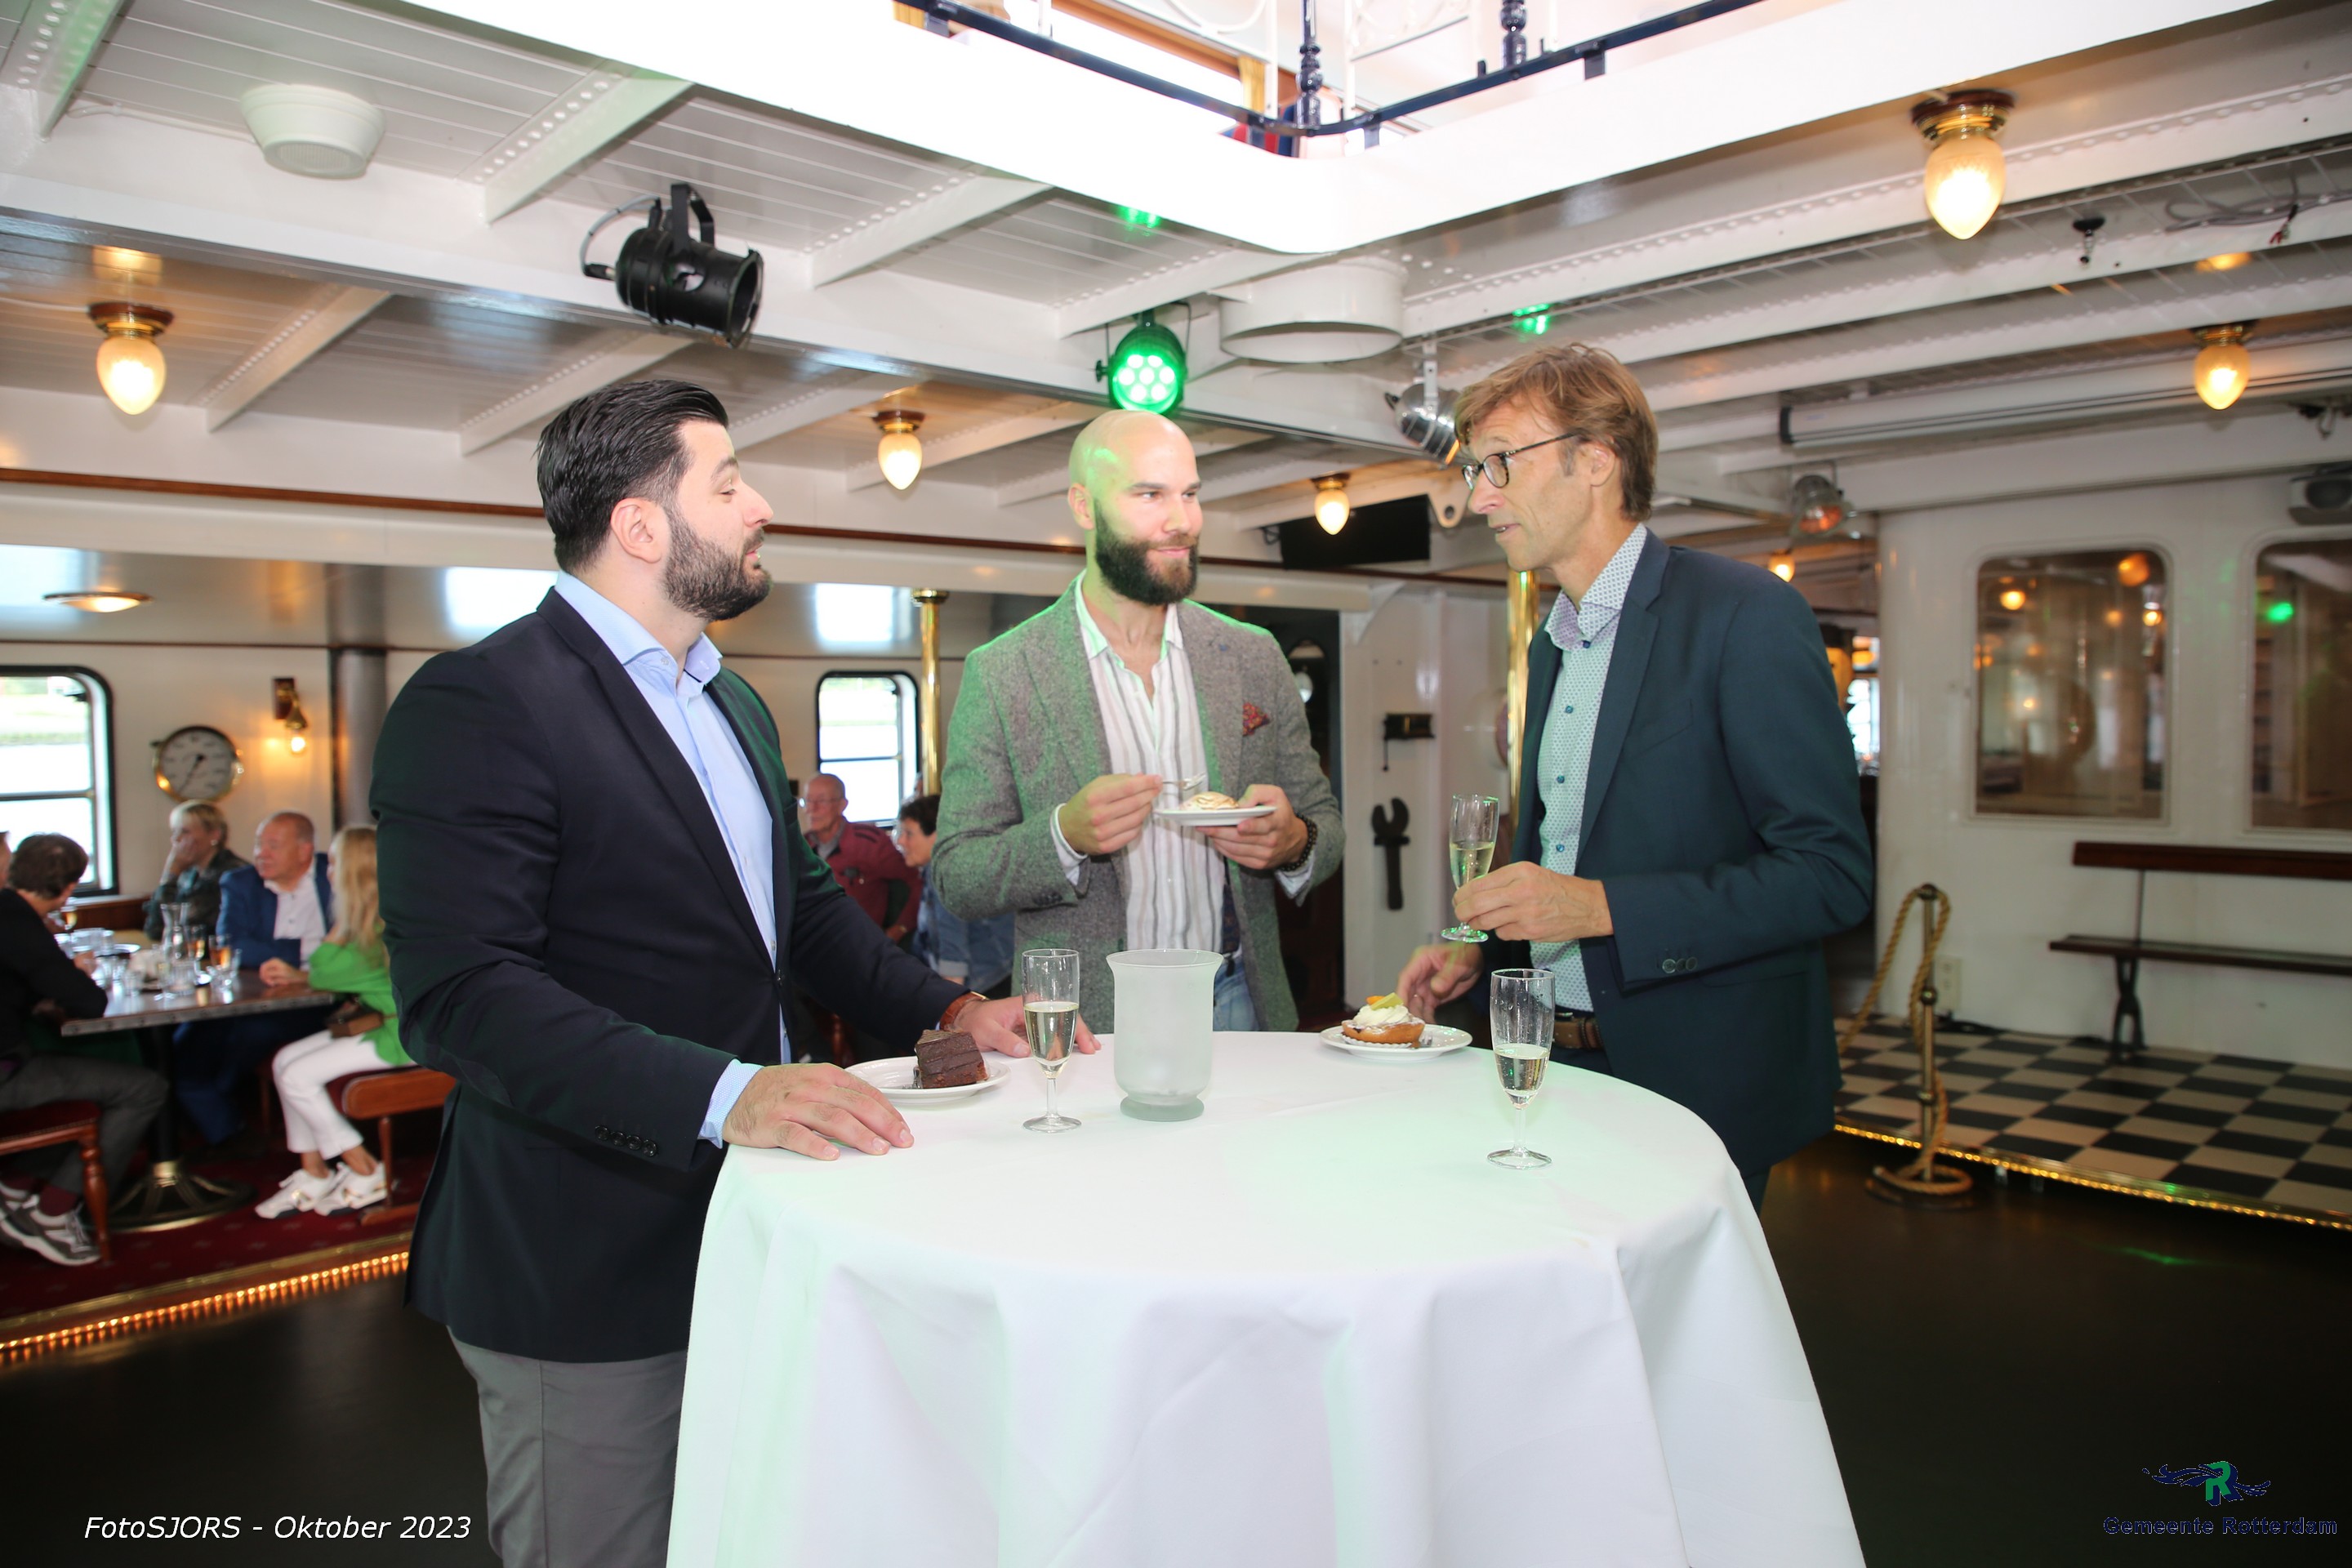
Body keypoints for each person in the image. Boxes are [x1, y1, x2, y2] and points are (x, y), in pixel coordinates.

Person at [372, 378, 1087, 1568]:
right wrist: (729, 1092)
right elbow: (464, 998)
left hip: (754, 1219)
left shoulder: (732, 699)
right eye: (729, 484)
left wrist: (956, 1008)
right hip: (582, 1252)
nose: (760, 508)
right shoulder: (482, 701)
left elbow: (801, 918)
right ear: (640, 525)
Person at [1395, 344, 1871, 1213]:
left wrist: (1602, 908)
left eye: (1501, 462)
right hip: (1553, 1067)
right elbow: (1566, 851)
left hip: (1698, 1080)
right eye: (1475, 469)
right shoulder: (1553, 642)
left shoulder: (1744, 614)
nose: (1480, 497)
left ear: (1595, 461)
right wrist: (1484, 946)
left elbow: (1830, 876)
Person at [932, 409, 1344, 1033]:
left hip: (1237, 1000)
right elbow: (957, 876)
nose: (1182, 521)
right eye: (1150, 494)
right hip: (1093, 1019)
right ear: (1084, 506)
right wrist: (1063, 835)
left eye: (1190, 494)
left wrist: (1294, 843)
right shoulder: (1005, 671)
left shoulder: (1253, 655)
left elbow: (1325, 825)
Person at [0, 834, 168, 1267]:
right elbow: (89, 1003)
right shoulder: (19, 922)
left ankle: (15, 1186)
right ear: (68, 889)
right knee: (144, 1088)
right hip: (6, 1074)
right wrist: (76, 971)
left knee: (93, 1078)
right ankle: (52, 1213)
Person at [253, 825, 407, 1218]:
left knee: (297, 1075)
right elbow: (334, 974)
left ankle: (366, 1169)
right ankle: (314, 1171)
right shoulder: (378, 918)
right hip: (384, 1025)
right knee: (285, 1060)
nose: (328, 872)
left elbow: (324, 970)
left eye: (335, 864)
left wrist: (342, 919)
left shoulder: (375, 928)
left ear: (356, 874)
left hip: (403, 1036)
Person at [172, 811, 336, 1146]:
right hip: (254, 993)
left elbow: (359, 937)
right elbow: (234, 944)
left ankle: (218, 1114)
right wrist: (311, 948)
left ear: (304, 851)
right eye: (259, 844)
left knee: (255, 1032)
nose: (261, 853)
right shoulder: (240, 882)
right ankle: (218, 1119)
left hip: (321, 996)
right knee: (187, 1037)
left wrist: (305, 967)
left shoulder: (333, 873)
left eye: (273, 846)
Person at [894, 794, 1014, 998]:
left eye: (909, 833)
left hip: (983, 984)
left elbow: (953, 940)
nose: (901, 841)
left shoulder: (945, 873)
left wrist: (950, 1003)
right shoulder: (940, 868)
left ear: (937, 835)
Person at [800, 773, 920, 942]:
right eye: (807, 801)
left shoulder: (869, 844)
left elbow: (917, 880)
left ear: (842, 805)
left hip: (861, 946)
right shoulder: (801, 847)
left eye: (821, 801)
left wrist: (900, 928)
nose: (811, 809)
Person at [144, 800, 248, 941]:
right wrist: (170, 876)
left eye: (185, 832)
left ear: (214, 835)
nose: (176, 838)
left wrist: (172, 873)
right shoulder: (188, 874)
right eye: (174, 831)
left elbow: (189, 929)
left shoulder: (232, 873)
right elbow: (155, 929)